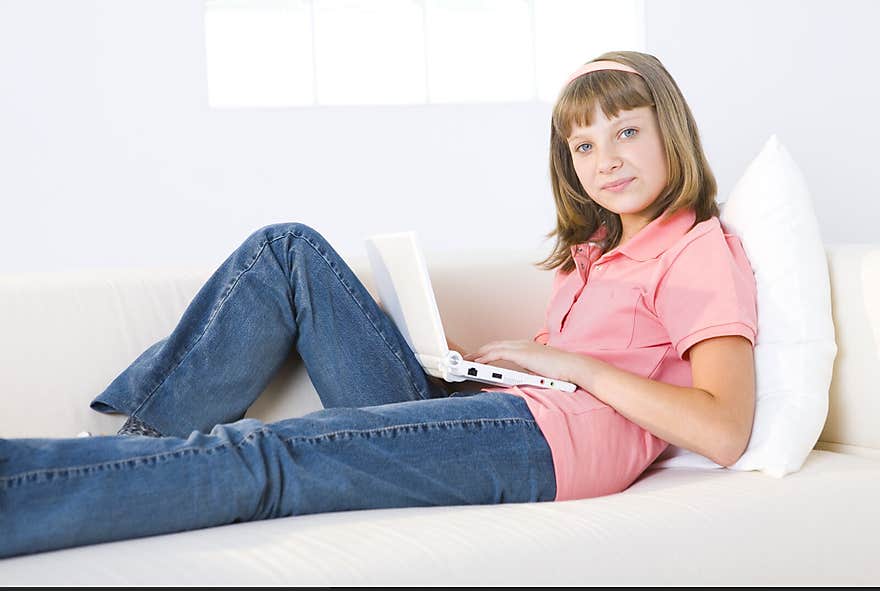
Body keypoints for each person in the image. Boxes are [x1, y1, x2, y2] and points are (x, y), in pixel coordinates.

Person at [0, 51, 758, 559]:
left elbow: (722, 429)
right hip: (503, 418)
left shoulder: (697, 248)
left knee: (269, 452)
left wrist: (570, 364)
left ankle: (31, 490)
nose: (607, 159)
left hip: (542, 448)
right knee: (286, 251)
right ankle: (139, 443)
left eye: (627, 132)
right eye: (583, 146)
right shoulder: (596, 252)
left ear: (672, 133)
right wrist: (465, 367)